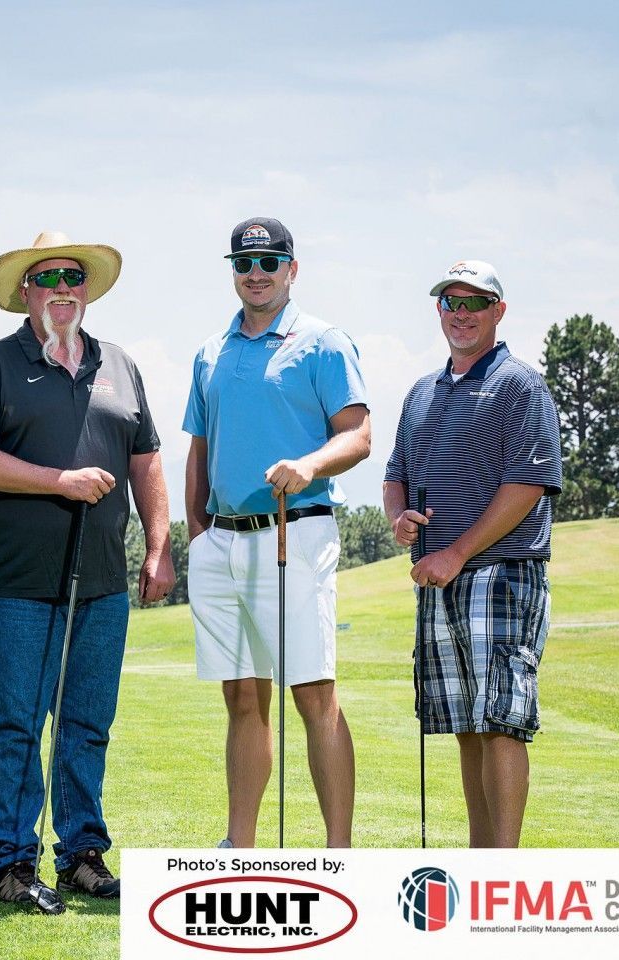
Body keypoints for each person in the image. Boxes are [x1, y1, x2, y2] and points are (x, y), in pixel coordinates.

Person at [0, 231, 174, 913]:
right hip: (21, 581)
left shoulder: (119, 364)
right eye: (46, 277)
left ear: (86, 288)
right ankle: (12, 863)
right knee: (16, 721)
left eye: (72, 276)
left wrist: (159, 547)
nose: (61, 287)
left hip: (102, 580)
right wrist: (59, 481)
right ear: (26, 291)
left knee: (85, 723)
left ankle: (80, 855)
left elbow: (146, 460)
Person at [183, 216, 371, 849]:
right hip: (223, 540)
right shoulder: (212, 350)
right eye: (243, 263)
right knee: (242, 697)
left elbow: (359, 434)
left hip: (296, 532)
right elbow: (200, 448)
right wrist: (197, 534)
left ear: (293, 269)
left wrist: (310, 464)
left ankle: (338, 850)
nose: (255, 273)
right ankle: (240, 845)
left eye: (269, 262)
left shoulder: (322, 343)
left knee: (313, 692)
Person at [382, 259, 562, 848]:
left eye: (475, 303)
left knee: (502, 721)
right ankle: (480, 866)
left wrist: (456, 552)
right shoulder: (422, 393)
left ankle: (502, 881)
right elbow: (396, 476)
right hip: (441, 578)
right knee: (464, 723)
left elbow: (527, 485)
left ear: (498, 312)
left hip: (501, 572)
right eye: (450, 303)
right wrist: (398, 518)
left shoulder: (521, 386)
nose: (461, 314)